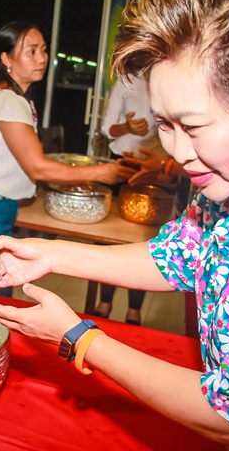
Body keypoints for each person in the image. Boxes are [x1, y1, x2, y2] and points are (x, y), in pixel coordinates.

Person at [0, 0, 229, 448]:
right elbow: (177, 255)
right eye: (166, 125)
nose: (179, 154)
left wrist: (79, 338)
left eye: (195, 127)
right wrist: (48, 253)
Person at [0, 21, 137, 243]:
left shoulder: (6, 96)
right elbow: (37, 167)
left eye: (44, 50)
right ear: (7, 59)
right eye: (31, 51)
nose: (41, 59)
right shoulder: (8, 100)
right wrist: (100, 173)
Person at [94, 76, 165, 325]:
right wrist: (127, 127)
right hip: (122, 165)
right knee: (108, 238)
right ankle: (105, 301)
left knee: (145, 241)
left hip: (157, 171)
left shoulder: (169, 79)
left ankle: (134, 308)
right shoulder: (126, 82)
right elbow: (107, 129)